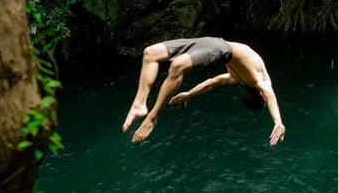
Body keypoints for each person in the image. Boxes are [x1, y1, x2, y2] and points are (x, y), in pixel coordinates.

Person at [122, 37, 285, 145]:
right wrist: (278, 122)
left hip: (213, 42)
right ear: (261, 97)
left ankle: (144, 108)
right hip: (220, 47)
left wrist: (190, 94)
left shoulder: (240, 78)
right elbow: (270, 95)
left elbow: (212, 83)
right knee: (157, 56)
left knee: (153, 54)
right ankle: (147, 111)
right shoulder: (260, 80)